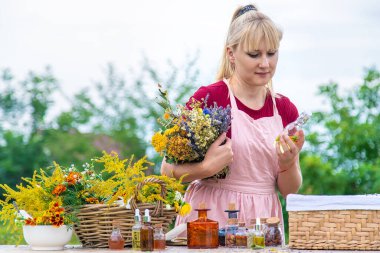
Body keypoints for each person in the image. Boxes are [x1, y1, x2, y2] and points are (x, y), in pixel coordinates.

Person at [161, 3, 304, 230]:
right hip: (208, 219)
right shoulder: (210, 98)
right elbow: (167, 171)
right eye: (254, 54)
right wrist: (206, 169)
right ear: (231, 53)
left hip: (264, 223)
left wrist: (288, 164)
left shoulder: (285, 109)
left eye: (272, 53)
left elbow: (289, 191)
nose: (265, 63)